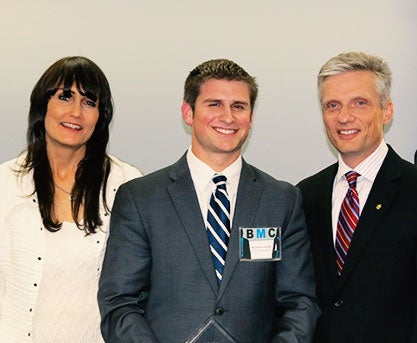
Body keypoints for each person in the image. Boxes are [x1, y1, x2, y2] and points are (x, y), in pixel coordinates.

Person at [98, 58, 320, 343]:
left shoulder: (282, 200)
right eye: (214, 104)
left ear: (251, 117)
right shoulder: (140, 199)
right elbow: (119, 302)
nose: (228, 117)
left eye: (239, 106)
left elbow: (299, 303)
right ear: (188, 112)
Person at [0, 56, 142, 342]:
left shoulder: (125, 184)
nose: (76, 112)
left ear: (101, 115)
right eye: (65, 97)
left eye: (89, 102)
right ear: (43, 105)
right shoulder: (5, 182)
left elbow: (139, 288)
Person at [297, 51, 417, 343]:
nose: (344, 117)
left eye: (359, 103)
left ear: (386, 111)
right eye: (332, 105)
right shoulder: (305, 194)